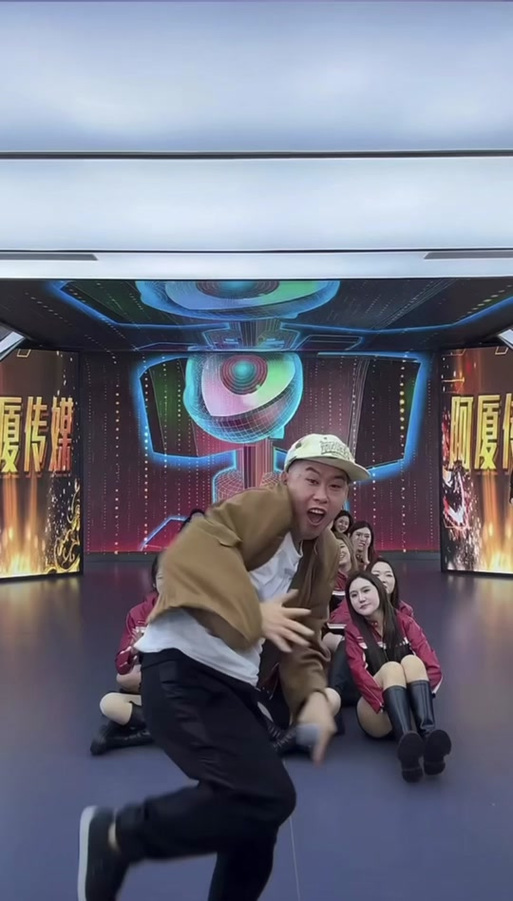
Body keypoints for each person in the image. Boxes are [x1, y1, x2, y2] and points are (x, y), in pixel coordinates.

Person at [77, 433, 370, 901]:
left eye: (336, 486)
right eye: (311, 480)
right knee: (269, 796)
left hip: (232, 684)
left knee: (257, 822)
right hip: (180, 667)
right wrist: (253, 613)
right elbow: (192, 551)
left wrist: (313, 697)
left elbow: (303, 634)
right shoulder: (264, 507)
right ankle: (117, 836)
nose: (322, 495)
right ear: (286, 479)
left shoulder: (326, 552)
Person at [344, 572, 451, 783]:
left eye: (365, 591)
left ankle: (428, 738)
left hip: (407, 712)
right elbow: (360, 676)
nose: (361, 598)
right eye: (354, 595)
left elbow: (432, 667)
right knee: (392, 668)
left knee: (412, 662)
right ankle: (406, 742)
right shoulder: (353, 631)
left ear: (380, 591)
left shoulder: (405, 623)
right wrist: (390, 703)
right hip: (375, 712)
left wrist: (413, 699)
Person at [89, 555, 162, 756]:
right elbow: (121, 667)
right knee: (109, 702)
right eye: (163, 578)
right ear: (154, 581)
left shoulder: (189, 614)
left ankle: (124, 737)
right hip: (151, 686)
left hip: (180, 691)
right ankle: (164, 727)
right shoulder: (138, 614)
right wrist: (135, 649)